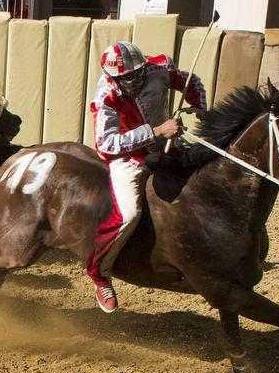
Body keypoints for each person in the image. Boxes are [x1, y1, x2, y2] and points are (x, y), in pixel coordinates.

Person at [86, 41, 206, 313]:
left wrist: (200, 109)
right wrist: (156, 132)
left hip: (168, 145)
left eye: (139, 72)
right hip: (129, 158)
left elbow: (193, 82)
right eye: (129, 77)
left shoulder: (159, 67)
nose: (137, 79)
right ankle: (100, 273)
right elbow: (106, 145)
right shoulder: (104, 97)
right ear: (113, 77)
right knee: (128, 214)